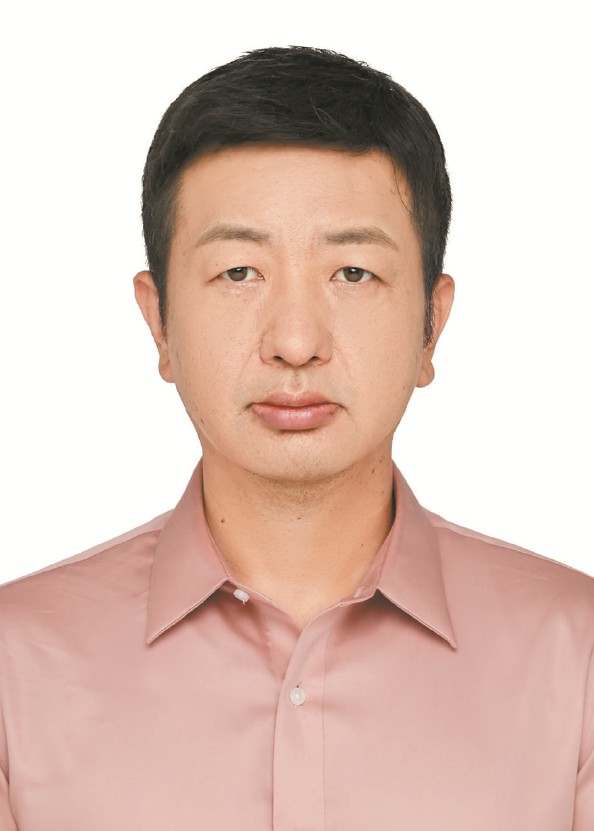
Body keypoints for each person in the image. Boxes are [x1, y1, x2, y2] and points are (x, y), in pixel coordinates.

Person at [0, 45, 592, 831]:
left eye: (353, 273)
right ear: (159, 322)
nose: (295, 341)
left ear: (432, 325)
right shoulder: (16, 668)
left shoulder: (576, 658)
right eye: (238, 272)